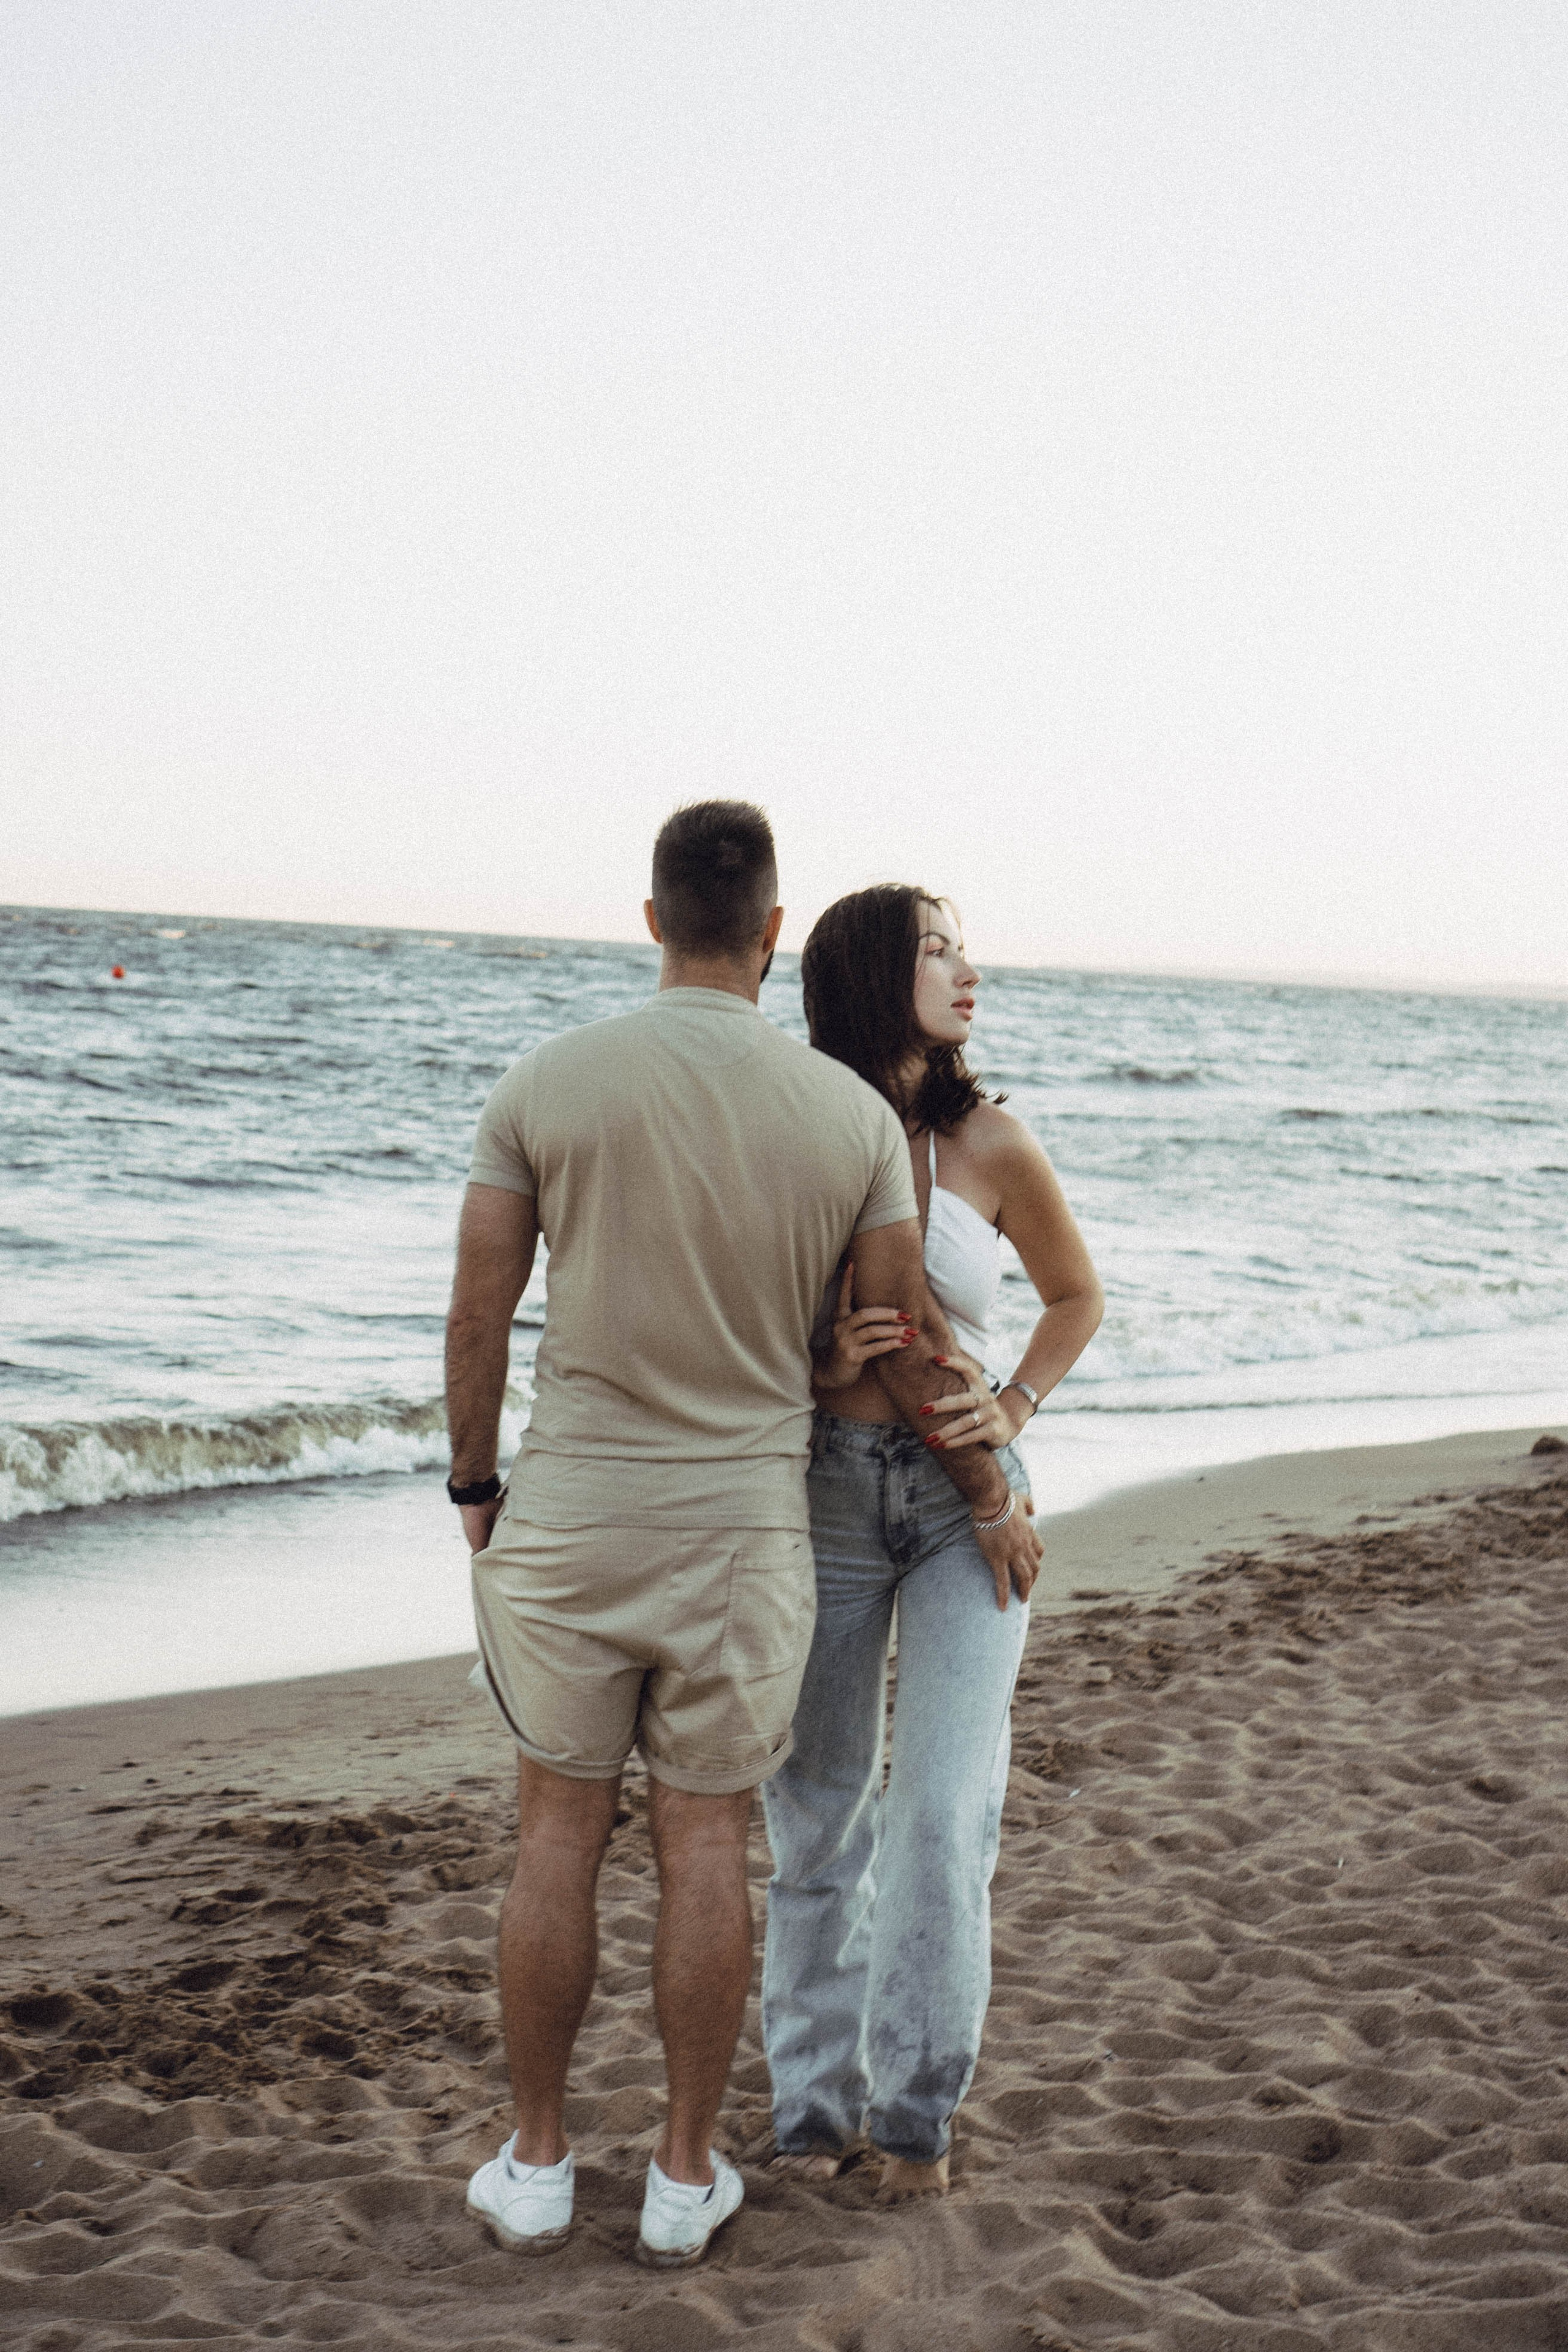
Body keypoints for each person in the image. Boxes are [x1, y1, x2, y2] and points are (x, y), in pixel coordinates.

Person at [445, 806, 1039, 2267]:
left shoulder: (545, 1081)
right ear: (771, 934)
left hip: (573, 1520)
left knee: (555, 1834)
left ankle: (532, 2163)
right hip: (745, 1529)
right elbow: (899, 1344)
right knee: (710, 1839)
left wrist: (475, 1489)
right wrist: (988, 1487)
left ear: (648, 919)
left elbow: (475, 1313)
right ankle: (682, 2175)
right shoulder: (842, 1118)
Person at [761, 883, 1104, 2199]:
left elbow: (1075, 1296)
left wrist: (1010, 1409)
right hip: (828, 1496)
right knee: (815, 1821)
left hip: (973, 1507)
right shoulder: (797, 1134)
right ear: (863, 975)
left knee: (942, 1815)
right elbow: (738, 1318)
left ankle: (909, 2125)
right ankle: (806, 2119)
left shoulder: (991, 1142)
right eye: (935, 951)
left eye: (965, 948)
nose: (967, 970)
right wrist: (812, 1355)